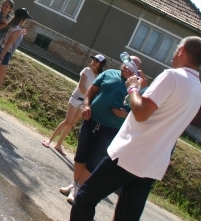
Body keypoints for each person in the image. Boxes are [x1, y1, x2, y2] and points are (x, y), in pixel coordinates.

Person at [65, 37, 201, 221]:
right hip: (154, 163)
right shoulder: (197, 90)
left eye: (176, 48)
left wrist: (133, 87)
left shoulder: (172, 76)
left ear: (182, 50)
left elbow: (141, 113)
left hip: (131, 154)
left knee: (85, 198)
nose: (173, 53)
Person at [61, 55, 143, 205]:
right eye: (125, 63)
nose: (126, 67)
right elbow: (91, 90)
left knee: (94, 160)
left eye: (131, 66)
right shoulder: (108, 73)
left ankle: (79, 189)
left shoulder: (137, 89)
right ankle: (75, 184)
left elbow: (138, 112)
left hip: (110, 129)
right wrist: (86, 105)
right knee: (81, 154)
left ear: (136, 71)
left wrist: (124, 114)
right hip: (90, 120)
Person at [42, 54, 106, 156]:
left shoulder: (99, 77)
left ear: (101, 64)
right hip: (76, 98)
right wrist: (88, 97)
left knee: (71, 124)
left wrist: (89, 101)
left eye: (97, 61)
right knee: (67, 121)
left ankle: (58, 145)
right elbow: (81, 86)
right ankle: (49, 140)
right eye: (94, 60)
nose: (94, 62)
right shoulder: (86, 70)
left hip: (84, 102)